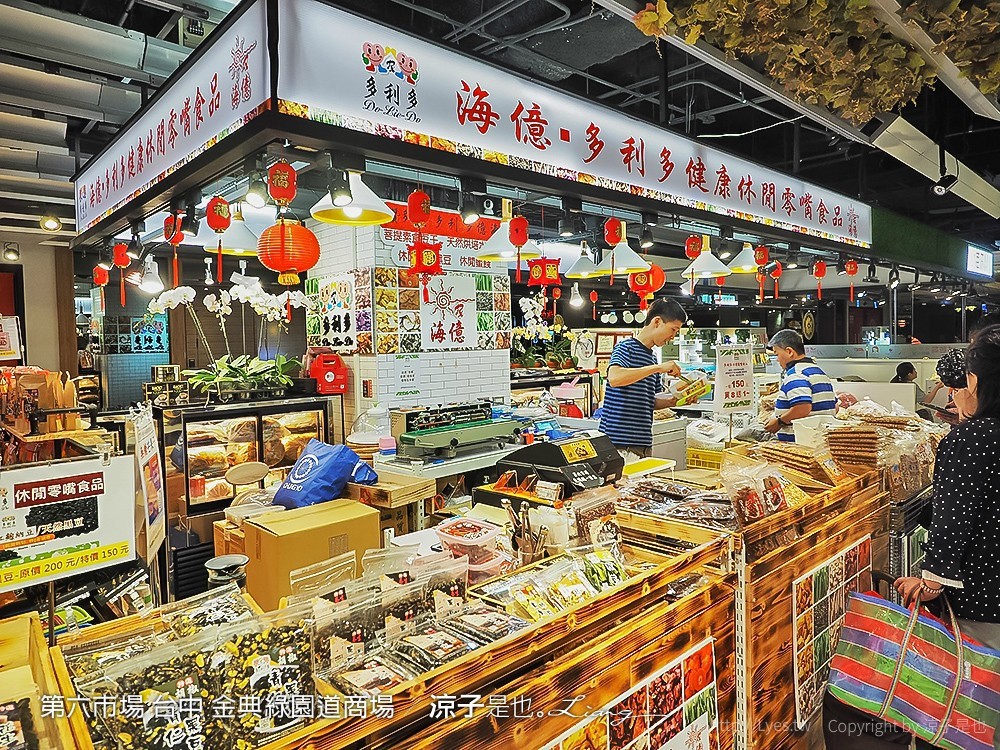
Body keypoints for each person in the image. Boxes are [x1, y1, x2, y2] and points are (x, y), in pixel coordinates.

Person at [895, 324, 1000, 656]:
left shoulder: (970, 440)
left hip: (984, 596)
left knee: (980, 692)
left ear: (975, 380)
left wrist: (930, 582)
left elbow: (952, 520)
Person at [598, 297, 685, 462]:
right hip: (619, 443)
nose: (673, 337)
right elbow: (615, 378)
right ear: (657, 322)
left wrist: (676, 400)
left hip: (642, 443)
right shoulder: (625, 348)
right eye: (673, 329)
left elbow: (649, 401)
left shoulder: (651, 358)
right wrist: (659, 368)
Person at [764, 329, 836, 441]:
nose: (777, 359)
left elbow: (802, 408)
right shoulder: (818, 371)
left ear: (789, 352)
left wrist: (779, 421)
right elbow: (835, 406)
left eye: (777, 354)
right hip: (819, 441)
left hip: (800, 444)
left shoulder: (796, 374)